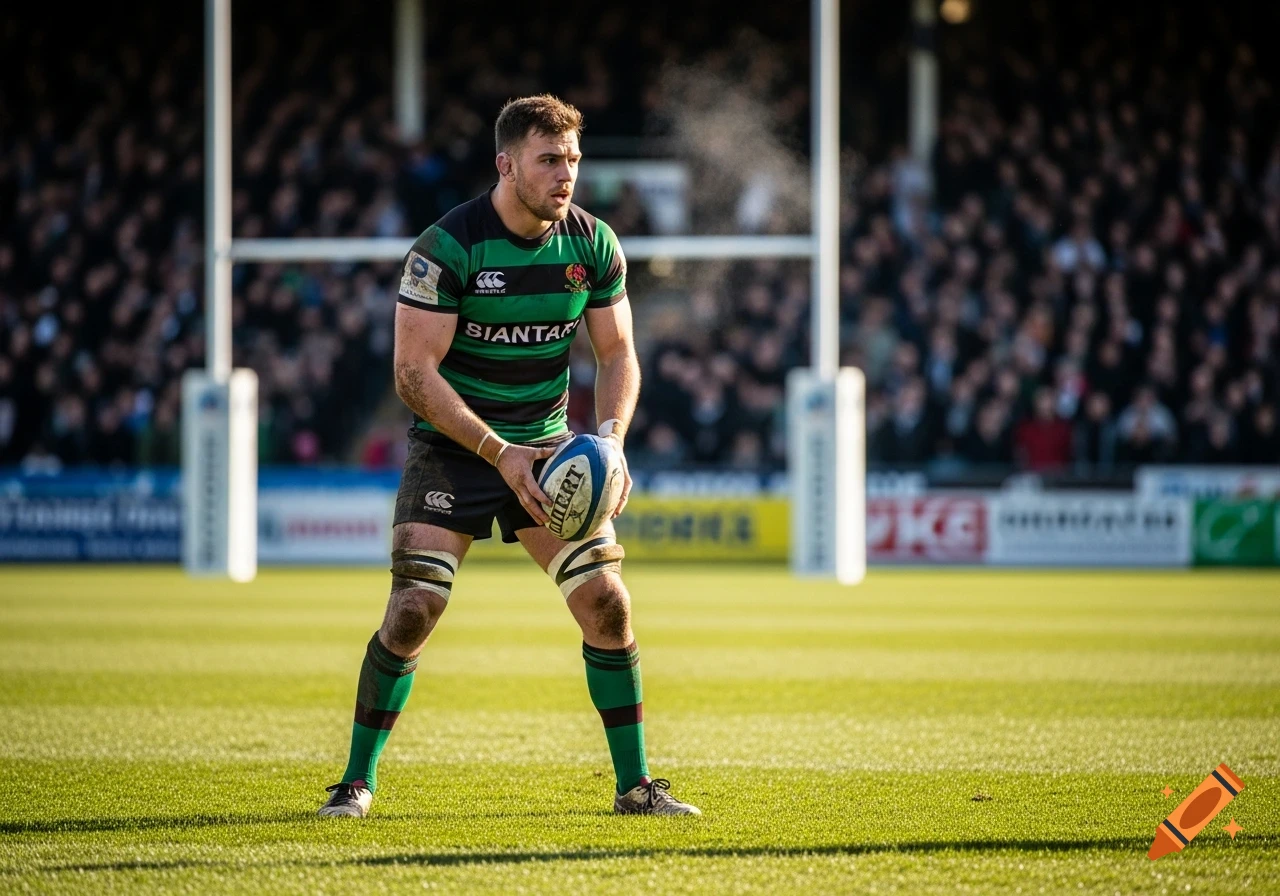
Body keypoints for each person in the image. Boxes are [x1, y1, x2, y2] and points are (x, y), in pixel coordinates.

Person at [318, 96, 700, 819]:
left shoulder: (592, 244)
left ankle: (636, 786)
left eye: (574, 162)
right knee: (412, 610)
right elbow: (412, 375)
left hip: (549, 449)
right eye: (549, 161)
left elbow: (617, 352)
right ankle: (354, 783)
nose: (566, 177)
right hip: (458, 448)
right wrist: (499, 452)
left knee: (607, 606)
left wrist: (611, 440)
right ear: (506, 165)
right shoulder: (447, 247)